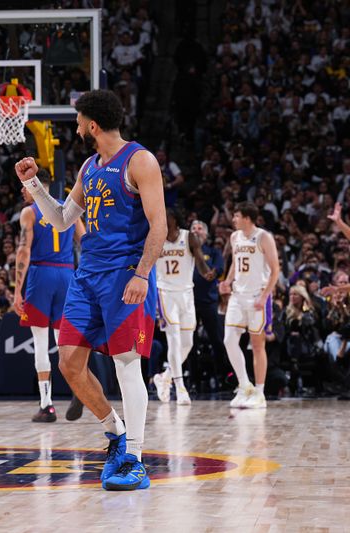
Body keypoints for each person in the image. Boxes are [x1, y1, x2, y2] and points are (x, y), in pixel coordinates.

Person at [15, 90, 166, 491]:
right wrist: (33, 185)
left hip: (124, 275)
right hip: (87, 275)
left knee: (126, 364)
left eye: (80, 121)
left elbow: (160, 225)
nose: (77, 127)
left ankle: (134, 458)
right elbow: (63, 220)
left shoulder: (140, 160)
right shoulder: (88, 166)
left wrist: (141, 274)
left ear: (93, 125)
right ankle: (115, 432)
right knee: (69, 363)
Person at [13, 169, 85, 422]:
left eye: (24, 186)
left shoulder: (29, 212)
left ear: (36, 186)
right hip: (67, 275)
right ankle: (79, 386)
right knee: (64, 340)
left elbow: (24, 251)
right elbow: (85, 242)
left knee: (41, 343)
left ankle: (46, 405)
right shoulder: (68, 207)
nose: (21, 190)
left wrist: (16, 290)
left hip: (41, 275)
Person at [218, 202, 280, 409]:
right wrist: (227, 282)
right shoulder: (234, 237)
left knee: (257, 345)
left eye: (236, 216)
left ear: (247, 217)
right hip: (237, 295)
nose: (233, 219)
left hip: (257, 295)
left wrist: (264, 296)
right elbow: (236, 263)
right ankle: (245, 385)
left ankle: (260, 393)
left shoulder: (264, 237)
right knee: (228, 340)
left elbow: (275, 270)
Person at [152, 209, 215, 405]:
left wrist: (206, 274)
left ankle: (166, 376)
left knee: (187, 342)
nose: (163, 219)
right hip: (165, 293)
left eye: (166, 217)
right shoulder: (155, 237)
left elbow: (199, 259)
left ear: (175, 220)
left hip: (186, 293)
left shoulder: (189, 237)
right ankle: (180, 388)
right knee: (174, 339)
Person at [189, 220, 228, 389]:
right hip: (189, 302)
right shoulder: (184, 252)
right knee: (190, 342)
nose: (196, 231)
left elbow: (218, 270)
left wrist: (210, 273)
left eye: (200, 228)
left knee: (217, 340)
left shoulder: (213, 252)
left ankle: (223, 377)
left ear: (206, 234)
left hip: (208, 302)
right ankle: (193, 381)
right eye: (193, 228)